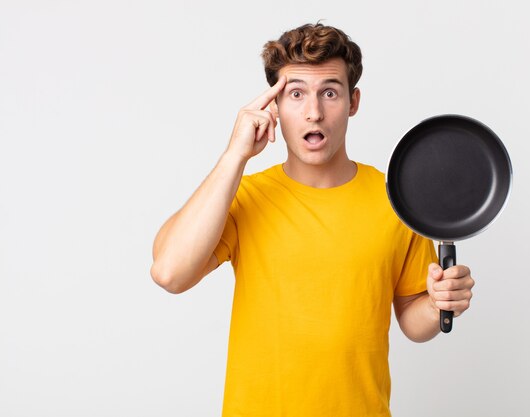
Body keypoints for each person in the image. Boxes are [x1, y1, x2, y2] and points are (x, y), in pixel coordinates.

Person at [151, 23, 475, 417]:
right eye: (296, 94)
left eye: (330, 93)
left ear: (353, 102)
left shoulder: (393, 199)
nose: (314, 112)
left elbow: (412, 318)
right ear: (274, 106)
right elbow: (169, 272)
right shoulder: (246, 195)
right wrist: (234, 156)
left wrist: (440, 303)